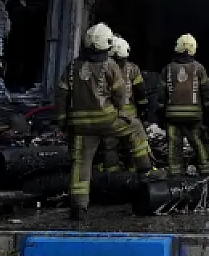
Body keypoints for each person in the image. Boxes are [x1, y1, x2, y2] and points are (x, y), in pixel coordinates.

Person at [56, 23, 153, 221]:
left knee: (81, 162)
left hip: (79, 125)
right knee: (134, 127)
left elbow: (61, 95)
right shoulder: (110, 65)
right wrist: (120, 111)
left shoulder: (72, 66)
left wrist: (62, 121)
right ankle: (145, 171)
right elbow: (119, 92)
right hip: (107, 119)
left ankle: (78, 207)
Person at [162, 34, 209, 176]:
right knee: (198, 142)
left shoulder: (168, 69)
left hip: (172, 116)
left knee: (173, 145)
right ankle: (207, 173)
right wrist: (208, 115)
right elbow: (206, 93)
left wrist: (160, 114)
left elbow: (161, 95)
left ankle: (175, 175)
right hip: (194, 115)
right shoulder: (199, 68)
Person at [99, 37, 149, 173]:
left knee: (110, 146)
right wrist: (144, 110)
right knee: (133, 145)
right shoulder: (133, 69)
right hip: (129, 116)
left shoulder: (102, 69)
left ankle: (112, 176)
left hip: (109, 115)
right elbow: (140, 92)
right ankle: (133, 174)